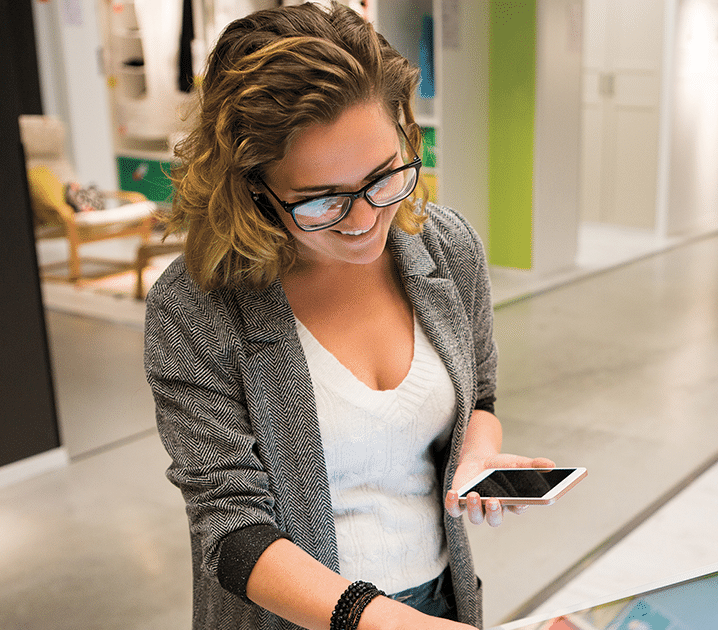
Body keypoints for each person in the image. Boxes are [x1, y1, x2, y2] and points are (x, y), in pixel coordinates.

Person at [144, 4, 551, 629]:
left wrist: (477, 456)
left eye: (384, 177)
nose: (364, 221)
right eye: (321, 200)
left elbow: (483, 397)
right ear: (253, 189)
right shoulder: (197, 305)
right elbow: (230, 533)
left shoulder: (447, 249)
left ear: (407, 137)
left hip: (442, 598)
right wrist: (384, 621)